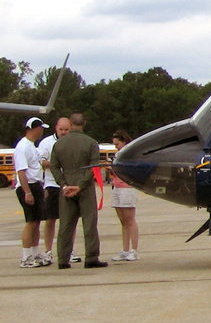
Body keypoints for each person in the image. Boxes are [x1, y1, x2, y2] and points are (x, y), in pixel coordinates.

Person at [51, 113, 106, 269]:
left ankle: (62, 259)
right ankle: (91, 257)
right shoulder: (91, 143)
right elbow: (93, 167)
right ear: (84, 123)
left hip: (67, 185)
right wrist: (81, 185)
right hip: (85, 186)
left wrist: (63, 184)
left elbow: (54, 166)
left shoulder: (59, 144)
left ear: (70, 123)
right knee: (89, 223)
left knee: (66, 225)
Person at [12, 117, 49, 268]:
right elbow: (21, 172)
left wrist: (41, 187)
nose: (42, 131)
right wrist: (27, 192)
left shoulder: (32, 146)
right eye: (40, 128)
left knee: (36, 221)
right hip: (27, 186)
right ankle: (26, 256)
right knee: (30, 221)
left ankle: (34, 253)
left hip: (36, 185)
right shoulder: (23, 147)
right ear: (33, 128)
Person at [35, 116, 69, 265]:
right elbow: (41, 161)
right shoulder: (46, 143)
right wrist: (56, 164)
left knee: (69, 220)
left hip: (69, 184)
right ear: (56, 128)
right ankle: (48, 251)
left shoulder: (72, 141)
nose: (63, 132)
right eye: (61, 129)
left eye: (66, 129)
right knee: (50, 219)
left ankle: (69, 249)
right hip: (53, 184)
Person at [109, 130, 140, 261]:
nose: (116, 147)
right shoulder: (117, 155)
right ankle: (125, 249)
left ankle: (134, 249)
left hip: (127, 188)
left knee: (130, 219)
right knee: (123, 220)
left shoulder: (130, 155)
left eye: (118, 144)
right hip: (116, 187)